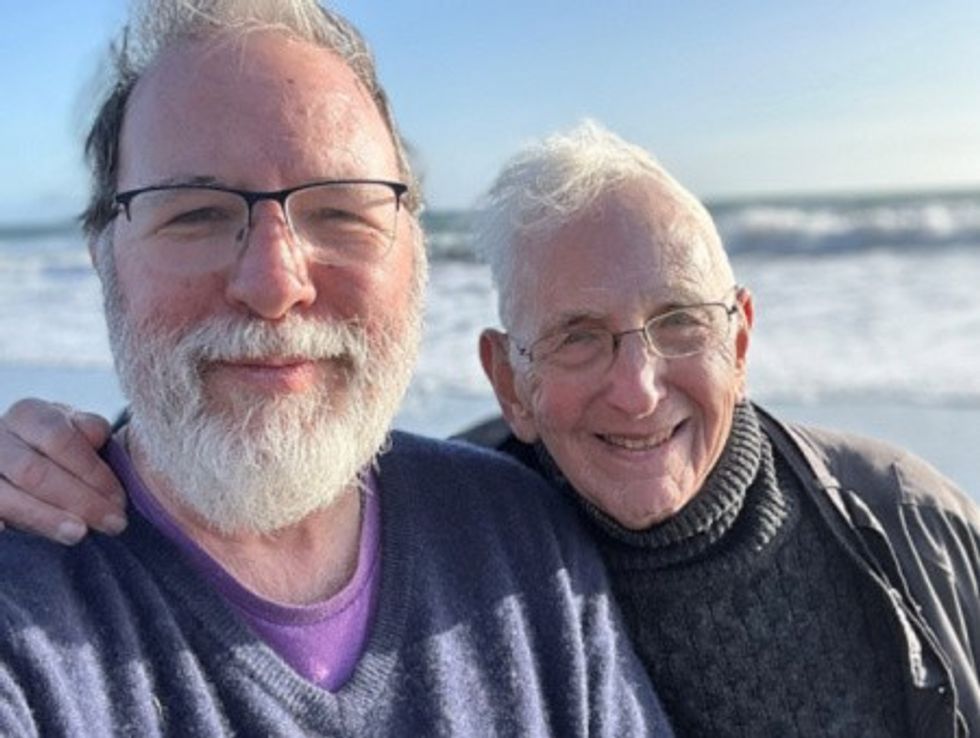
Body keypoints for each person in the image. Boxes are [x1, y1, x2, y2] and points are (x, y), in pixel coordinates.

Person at [2, 98, 976, 738]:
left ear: (739, 337)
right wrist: (62, 454)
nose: (636, 388)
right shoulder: (470, 529)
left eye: (678, 323)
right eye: (579, 337)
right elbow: (249, 469)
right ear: (505, 380)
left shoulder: (906, 521)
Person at [0, 5, 673, 737]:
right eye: (193, 214)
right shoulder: (27, 614)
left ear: (414, 253)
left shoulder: (522, 539)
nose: (274, 283)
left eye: (341, 212)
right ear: (106, 263)